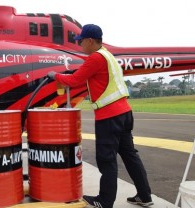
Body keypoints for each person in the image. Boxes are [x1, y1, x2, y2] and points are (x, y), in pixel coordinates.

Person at [47, 24, 153, 208]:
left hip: (109, 116)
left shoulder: (95, 58)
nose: (79, 44)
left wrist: (54, 75)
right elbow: (88, 76)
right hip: (125, 113)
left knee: (107, 160)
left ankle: (104, 201)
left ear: (89, 41)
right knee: (130, 155)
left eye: (81, 41)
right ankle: (144, 196)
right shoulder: (107, 56)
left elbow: (74, 81)